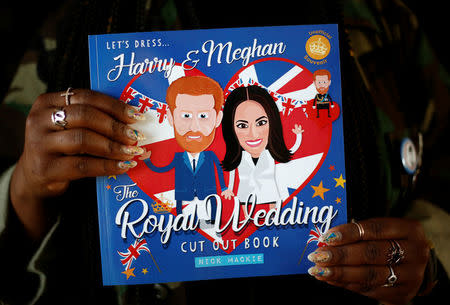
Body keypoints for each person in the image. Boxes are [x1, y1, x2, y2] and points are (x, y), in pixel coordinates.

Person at [0, 0, 448, 304]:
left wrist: (426, 264)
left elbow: (442, 170)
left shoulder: (377, 19)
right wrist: (25, 189)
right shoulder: (80, 31)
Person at [140, 75, 227, 224]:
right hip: (184, 198)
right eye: (186, 115)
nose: (194, 127)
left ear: (218, 118)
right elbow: (163, 169)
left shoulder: (211, 155)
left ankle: (212, 221)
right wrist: (147, 160)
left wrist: (224, 188)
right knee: (186, 222)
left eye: (203, 116)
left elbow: (220, 170)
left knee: (210, 221)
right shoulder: (178, 158)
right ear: (171, 118)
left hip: (208, 197)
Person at [221, 85, 303, 208]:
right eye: (242, 126)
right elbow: (232, 173)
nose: (253, 134)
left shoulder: (269, 153)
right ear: (230, 129)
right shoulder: (239, 158)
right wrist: (229, 188)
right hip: (245, 193)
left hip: (269, 192)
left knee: (273, 213)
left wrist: (298, 136)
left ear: (272, 122)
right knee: (245, 213)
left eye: (261, 123)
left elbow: (292, 149)